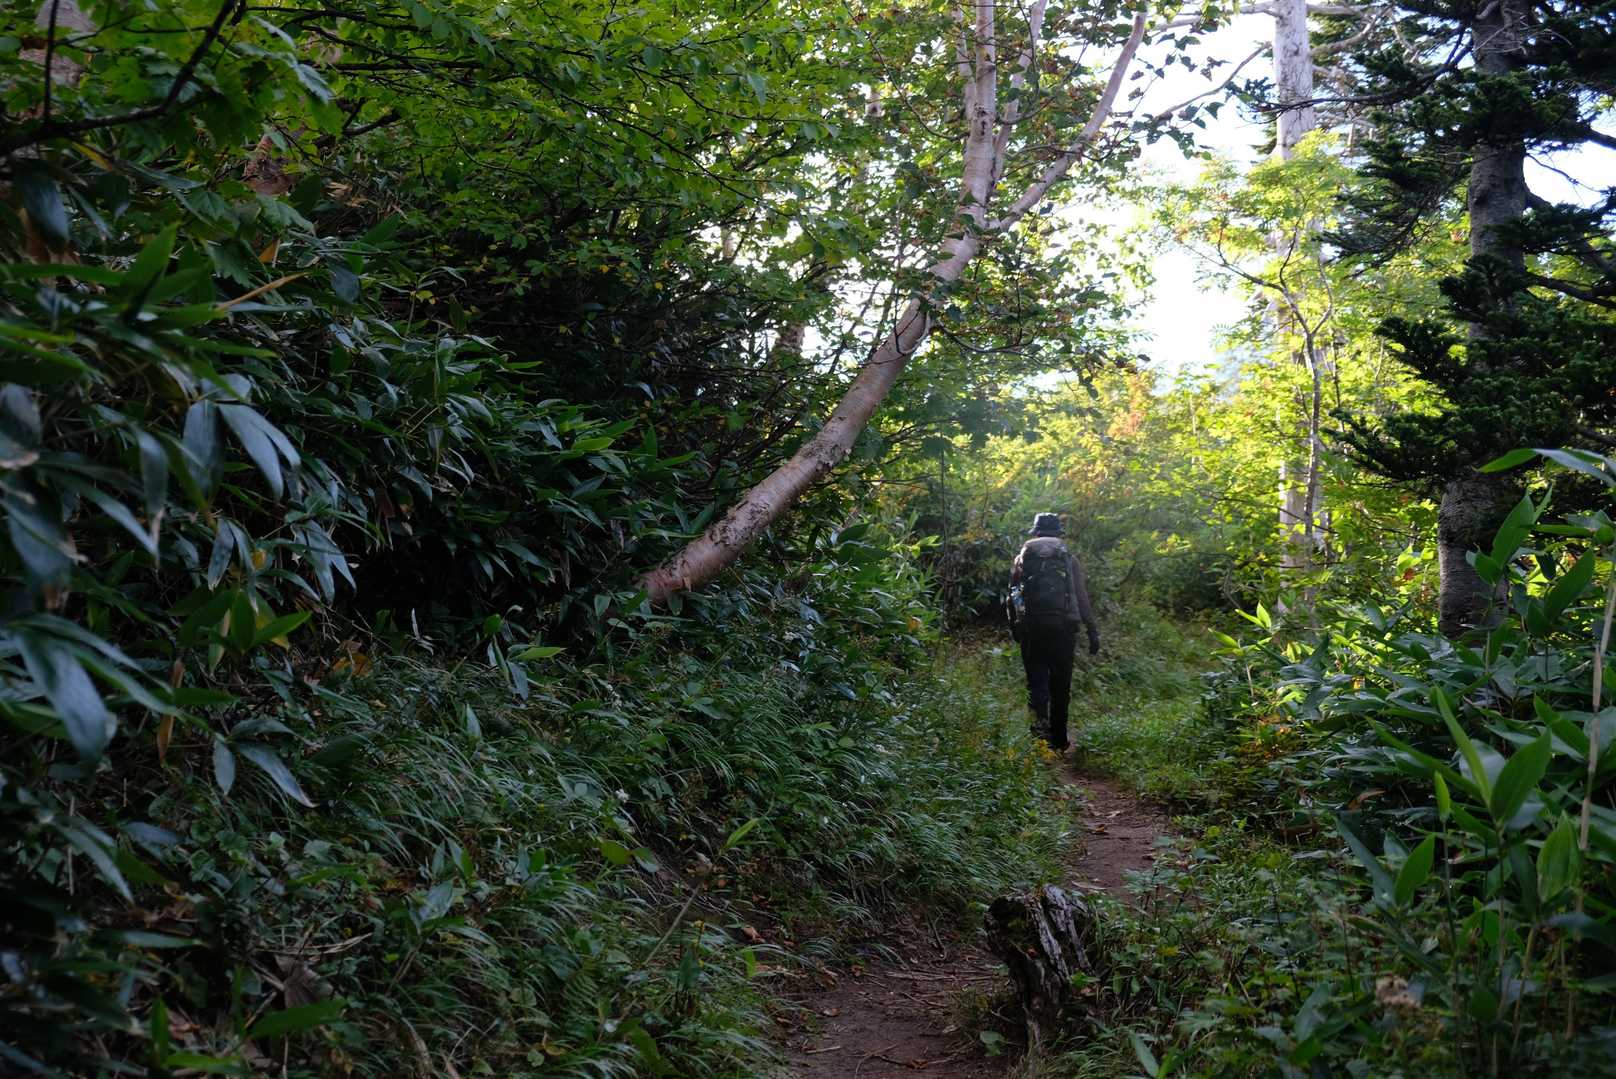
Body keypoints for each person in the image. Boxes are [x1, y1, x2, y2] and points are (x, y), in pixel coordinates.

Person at [1007, 512, 1099, 751]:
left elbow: (1013, 595)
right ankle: (1059, 739)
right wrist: (1092, 630)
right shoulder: (1068, 558)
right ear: (1058, 533)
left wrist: (1015, 625)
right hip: (1064, 629)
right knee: (1061, 683)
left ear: (1036, 532)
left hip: (1032, 629)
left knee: (1036, 683)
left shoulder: (1022, 558)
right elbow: (1081, 597)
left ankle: (1039, 739)